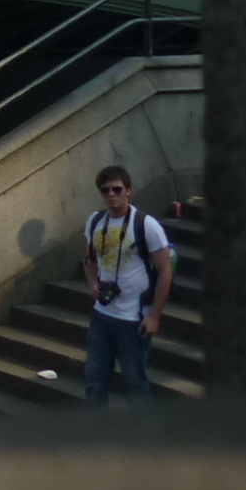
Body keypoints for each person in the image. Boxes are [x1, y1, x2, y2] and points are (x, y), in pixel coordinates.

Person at [80, 165, 173, 406]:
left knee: (134, 382)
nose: (111, 195)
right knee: (94, 379)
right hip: (102, 314)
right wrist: (92, 283)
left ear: (128, 191)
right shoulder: (95, 221)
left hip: (133, 318)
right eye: (105, 190)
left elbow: (165, 271)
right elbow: (89, 258)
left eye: (117, 189)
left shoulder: (146, 225)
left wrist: (154, 317)